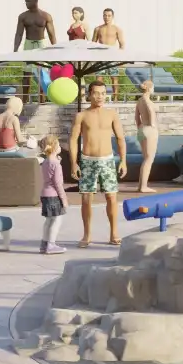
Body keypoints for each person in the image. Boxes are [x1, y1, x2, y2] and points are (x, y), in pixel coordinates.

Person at [68, 78, 129, 247]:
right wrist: (74, 163)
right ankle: (87, 235)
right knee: (86, 199)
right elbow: (73, 140)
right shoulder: (82, 116)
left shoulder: (111, 114)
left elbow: (120, 138)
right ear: (89, 95)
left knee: (111, 197)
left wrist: (123, 161)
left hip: (107, 160)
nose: (100, 96)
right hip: (88, 161)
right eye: (96, 93)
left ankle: (114, 233)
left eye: (103, 93)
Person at [35, 137, 68, 254]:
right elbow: (58, 184)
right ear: (54, 148)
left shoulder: (45, 162)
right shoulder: (56, 164)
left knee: (49, 221)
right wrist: (64, 200)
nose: (60, 147)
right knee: (57, 220)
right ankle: (51, 245)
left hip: (45, 194)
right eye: (58, 145)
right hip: (53, 196)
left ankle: (44, 244)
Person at [132, 76, 157, 193]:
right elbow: (151, 111)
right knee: (149, 159)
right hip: (149, 129)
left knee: (145, 158)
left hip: (141, 129)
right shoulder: (147, 100)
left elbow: (137, 117)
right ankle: (143, 186)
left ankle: (141, 185)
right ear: (150, 88)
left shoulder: (139, 100)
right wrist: (152, 125)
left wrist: (139, 127)